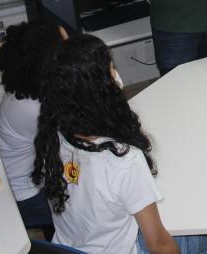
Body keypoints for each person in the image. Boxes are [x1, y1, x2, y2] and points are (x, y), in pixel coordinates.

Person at [32, 35, 188, 254]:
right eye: (111, 69)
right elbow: (159, 245)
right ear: (101, 90)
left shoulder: (51, 135)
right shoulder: (123, 160)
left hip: (68, 247)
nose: (116, 75)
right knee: (198, 233)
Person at [0, 20, 66, 234]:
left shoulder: (25, 88)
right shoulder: (35, 108)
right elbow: (88, 129)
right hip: (25, 199)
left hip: (21, 179)